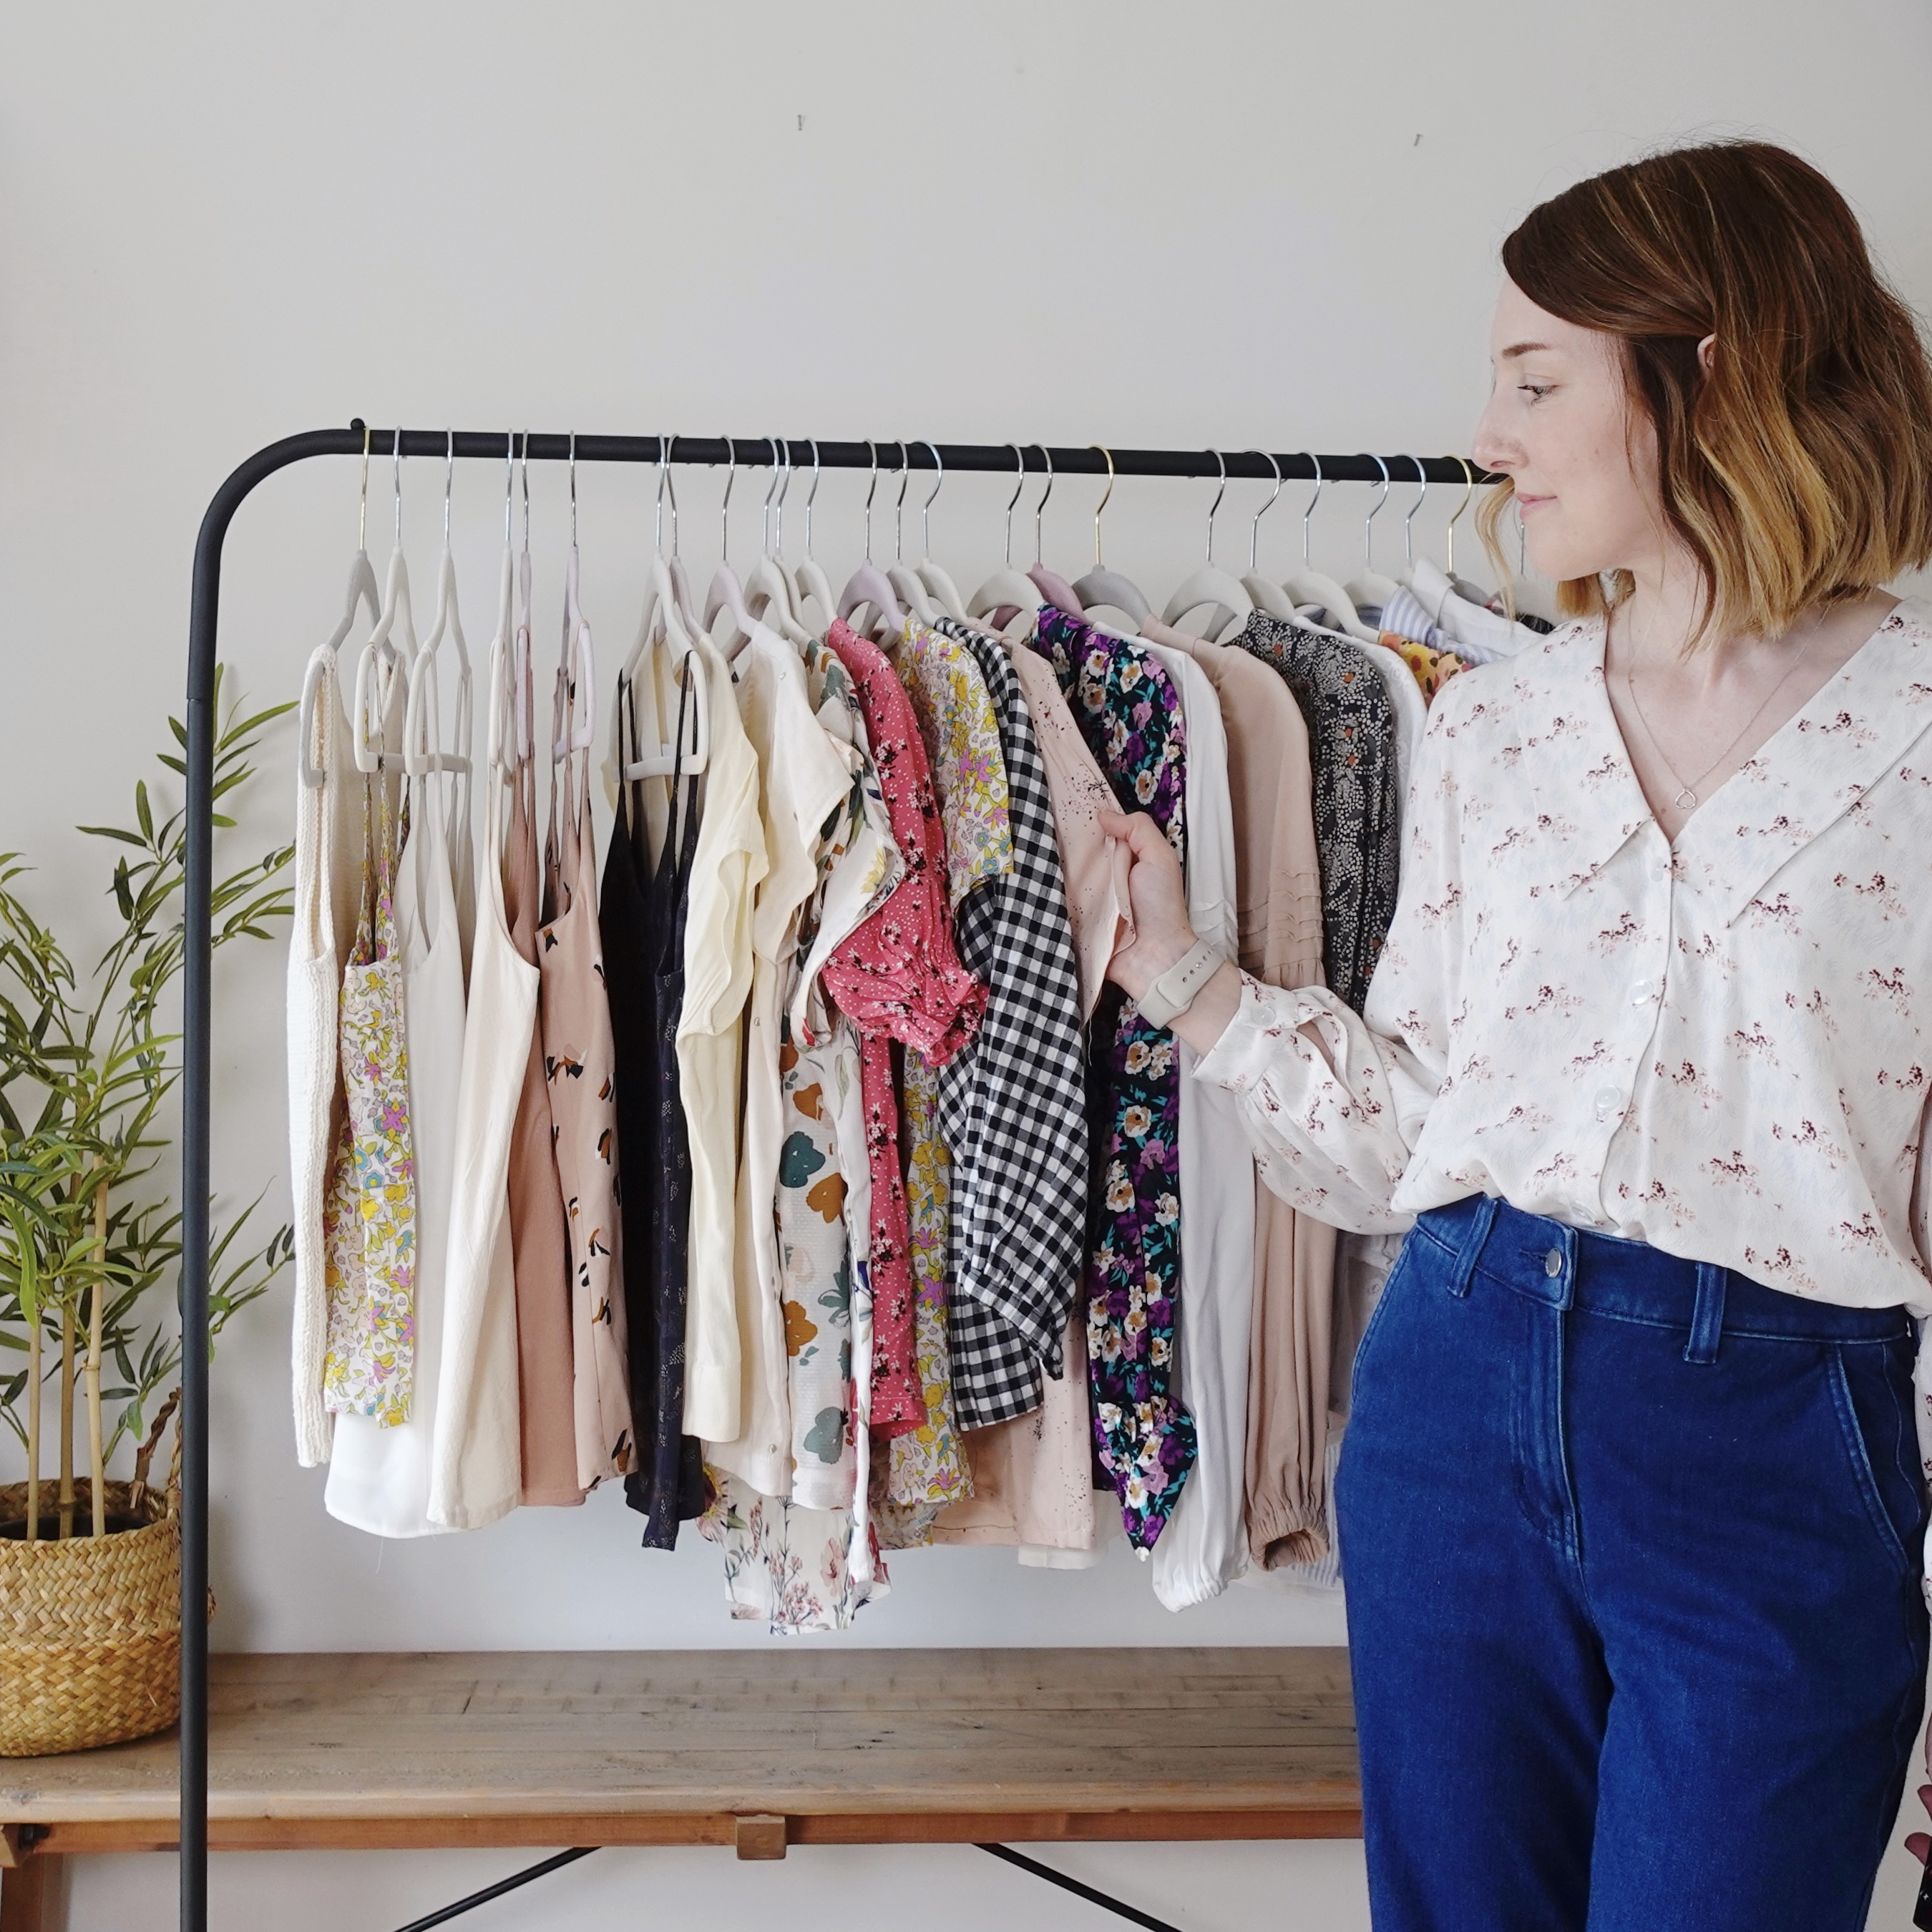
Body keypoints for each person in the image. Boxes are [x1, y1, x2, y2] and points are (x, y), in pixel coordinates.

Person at [1103, 140, 1932, 1931]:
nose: (1490, 437)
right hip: (1455, 1393)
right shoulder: (1497, 735)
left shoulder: (1925, 740)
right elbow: (1406, 1141)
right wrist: (1189, 977)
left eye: (1536, 380)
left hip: (1781, 1438)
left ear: (1711, 373)